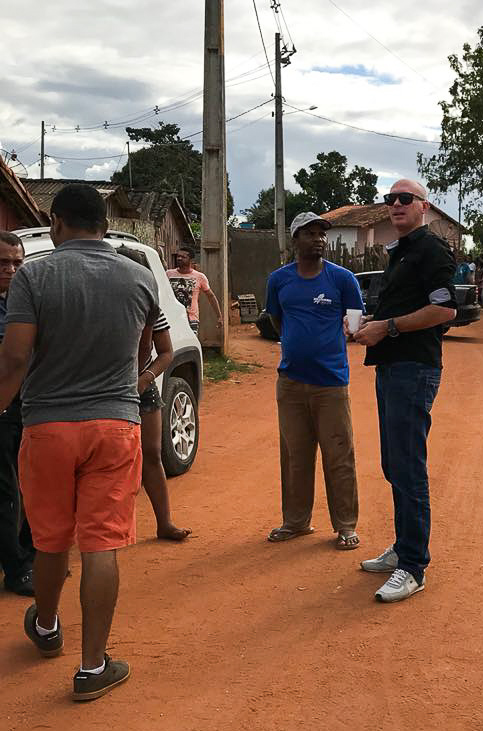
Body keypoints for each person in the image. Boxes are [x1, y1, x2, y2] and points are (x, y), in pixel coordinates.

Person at [0, 183, 159, 701]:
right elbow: (143, 352)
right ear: (105, 225)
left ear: (57, 223)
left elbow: (16, 359)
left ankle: (46, 627)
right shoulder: (139, 277)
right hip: (115, 425)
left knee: (49, 539)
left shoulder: (33, 274)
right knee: (102, 542)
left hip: (46, 426)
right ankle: (93, 667)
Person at [352, 179, 456, 602]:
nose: (395, 205)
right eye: (390, 199)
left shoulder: (431, 250)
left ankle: (414, 565)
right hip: (393, 367)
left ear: (423, 207)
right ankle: (403, 547)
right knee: (394, 463)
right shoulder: (401, 251)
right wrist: (371, 324)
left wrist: (388, 327)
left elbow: (445, 308)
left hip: (414, 369)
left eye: (404, 199)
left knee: (408, 466)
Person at [265, 212, 365, 549]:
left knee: (339, 454)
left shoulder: (343, 279)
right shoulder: (279, 280)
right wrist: (299, 346)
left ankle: (346, 525)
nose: (319, 239)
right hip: (291, 383)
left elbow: (353, 324)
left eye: (322, 233)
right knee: (295, 455)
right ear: (295, 239)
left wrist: (334, 339)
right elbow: (278, 322)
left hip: (331, 384)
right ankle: (295, 522)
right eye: (310, 233)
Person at [116, 246, 190, 542]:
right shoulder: (102, 307)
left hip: (141, 390)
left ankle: (164, 522)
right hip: (109, 391)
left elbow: (166, 353)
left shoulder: (151, 308)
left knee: (151, 454)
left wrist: (144, 380)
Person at [0, 231, 33, 596]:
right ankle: (17, 568)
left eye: (17, 263)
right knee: (6, 492)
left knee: (30, 486)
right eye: (2, 263)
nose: (10, 269)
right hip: (3, 409)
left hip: (29, 407)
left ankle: (30, 556)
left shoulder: (22, 302)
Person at [166, 246, 222, 333]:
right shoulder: (168, 274)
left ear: (191, 260)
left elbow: (211, 296)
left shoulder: (200, 277)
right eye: (178, 256)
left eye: (183, 257)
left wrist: (219, 316)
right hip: (172, 318)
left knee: (190, 344)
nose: (179, 258)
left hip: (191, 319)